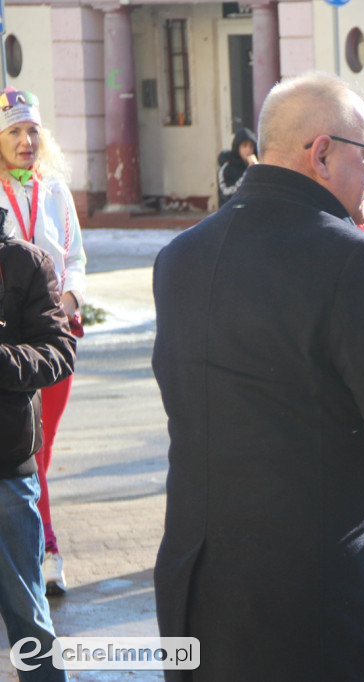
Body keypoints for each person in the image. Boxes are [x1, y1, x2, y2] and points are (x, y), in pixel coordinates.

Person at [151, 71, 364, 681]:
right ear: (322, 152)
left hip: (192, 585)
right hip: (308, 597)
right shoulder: (354, 256)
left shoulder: (180, 256)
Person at [0, 87, 86, 597]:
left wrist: (67, 304)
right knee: (22, 449)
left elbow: (75, 256)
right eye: (14, 132)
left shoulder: (53, 188)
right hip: (9, 343)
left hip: (53, 337)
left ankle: (39, 548)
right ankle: (43, 548)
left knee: (42, 447)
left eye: (32, 130)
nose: (26, 141)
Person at [0, 229, 76, 681]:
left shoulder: (25, 262)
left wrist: (3, 361)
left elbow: (58, 351)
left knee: (28, 620)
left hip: (6, 471)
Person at [216, 127, 258, 208]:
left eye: (251, 146)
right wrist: (248, 174)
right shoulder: (227, 168)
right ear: (237, 147)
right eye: (244, 146)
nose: (248, 150)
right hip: (230, 212)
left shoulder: (256, 165)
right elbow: (226, 193)